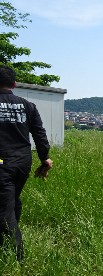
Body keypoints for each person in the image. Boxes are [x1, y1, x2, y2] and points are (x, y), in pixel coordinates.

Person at [0, 65, 53, 261]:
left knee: (3, 210)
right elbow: (40, 136)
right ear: (14, 84)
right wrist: (44, 158)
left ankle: (17, 257)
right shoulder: (28, 106)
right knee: (12, 200)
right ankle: (9, 236)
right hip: (23, 162)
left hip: (1, 162)